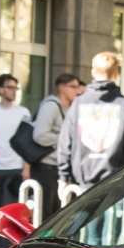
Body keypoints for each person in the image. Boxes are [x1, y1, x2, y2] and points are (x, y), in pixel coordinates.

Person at [56, 53, 124, 200]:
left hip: (84, 185)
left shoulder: (78, 103)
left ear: (92, 72)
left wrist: (64, 177)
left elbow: (65, 143)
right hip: (117, 186)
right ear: (116, 74)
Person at [0, 74, 34, 248]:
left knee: (13, 212)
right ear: (0, 90)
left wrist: (26, 168)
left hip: (16, 169)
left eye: (16, 88)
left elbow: (28, 143)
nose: (13, 91)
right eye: (10, 87)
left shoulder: (23, 112)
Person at [31, 73, 81, 222]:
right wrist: (64, 140)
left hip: (60, 167)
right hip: (46, 167)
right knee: (46, 215)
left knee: (59, 214)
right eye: (73, 87)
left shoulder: (69, 108)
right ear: (62, 88)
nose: (77, 91)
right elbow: (39, 135)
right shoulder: (50, 106)